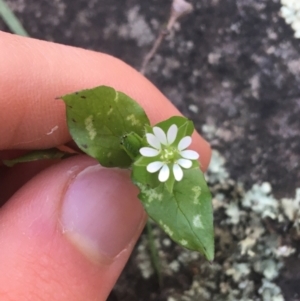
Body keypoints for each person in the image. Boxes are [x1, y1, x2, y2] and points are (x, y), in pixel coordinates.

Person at [0, 31, 211, 300]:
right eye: (170, 153)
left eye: (172, 154)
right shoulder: (154, 149)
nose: (170, 155)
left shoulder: (167, 156)